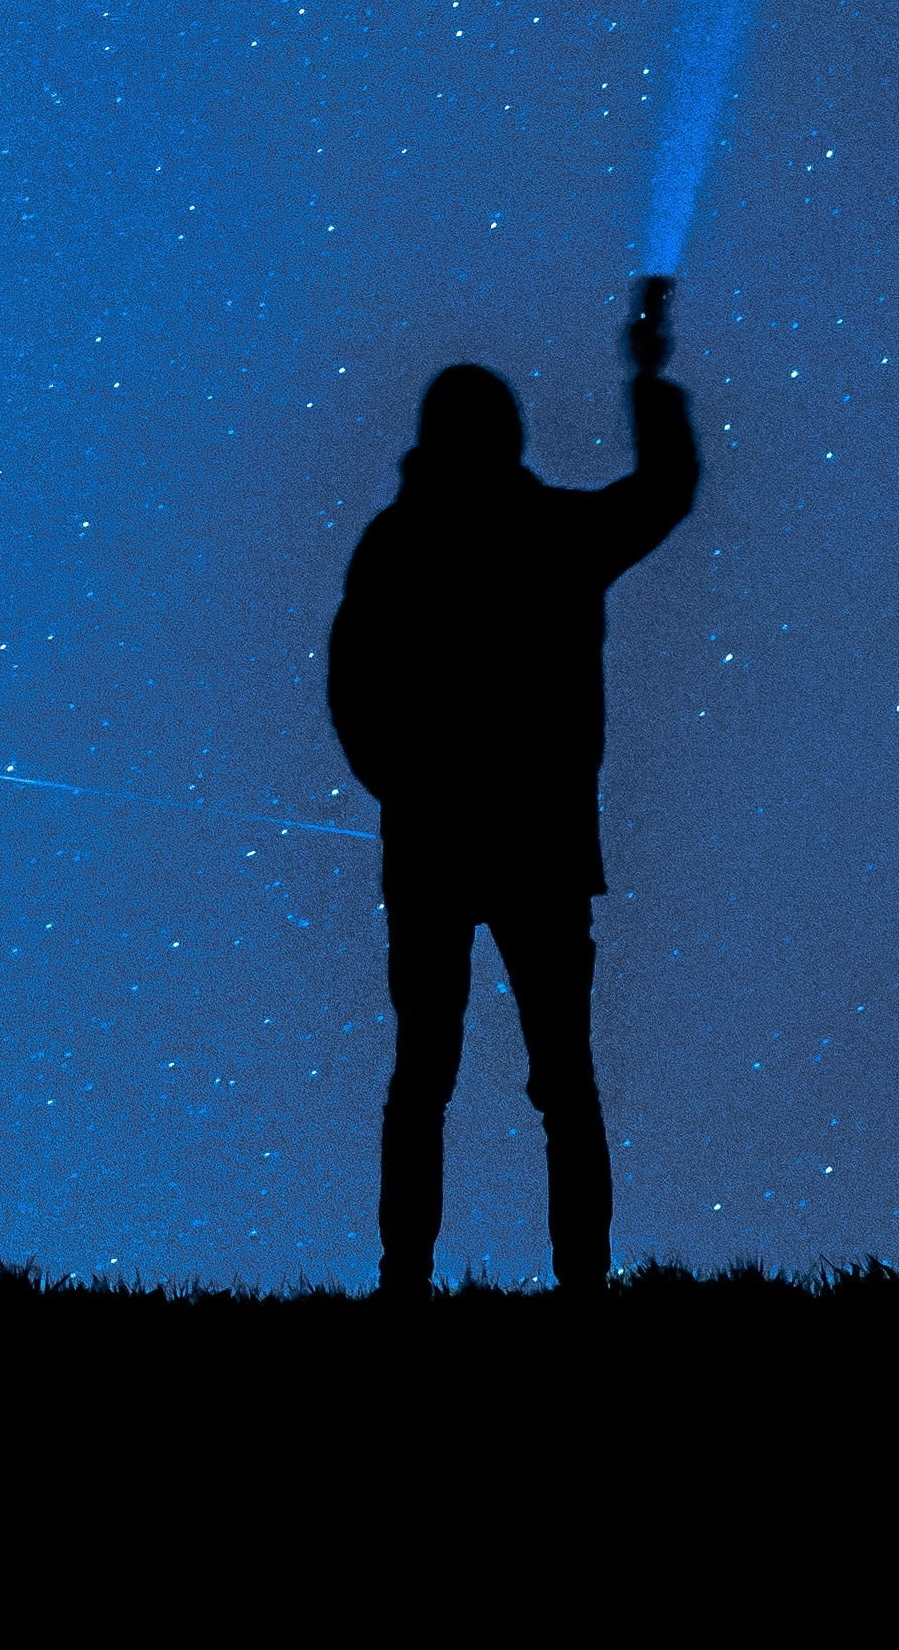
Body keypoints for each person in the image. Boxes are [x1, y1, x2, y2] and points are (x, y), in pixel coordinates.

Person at [323, 275, 700, 1296]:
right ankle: (579, 1288)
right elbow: (665, 490)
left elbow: (351, 685)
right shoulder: (551, 537)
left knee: (428, 1076)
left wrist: (403, 788)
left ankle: (408, 1284)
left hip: (438, 844)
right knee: (559, 1079)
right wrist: (648, 381)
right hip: (535, 842)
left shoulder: (399, 543)